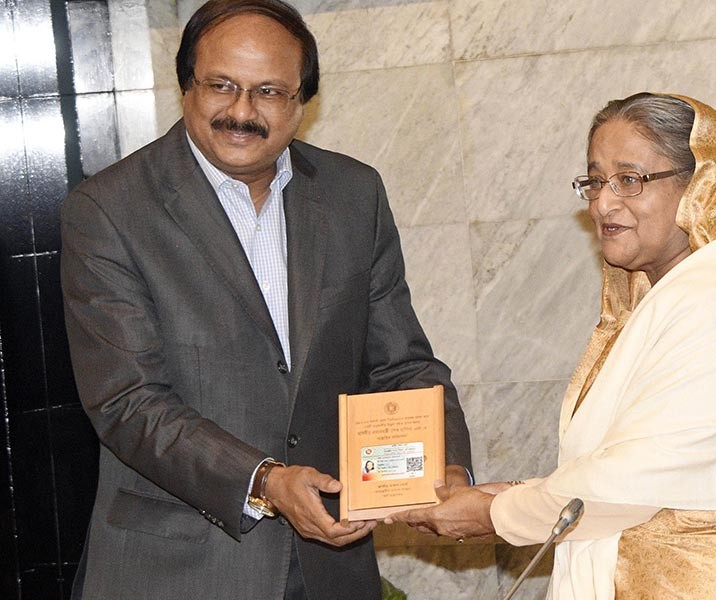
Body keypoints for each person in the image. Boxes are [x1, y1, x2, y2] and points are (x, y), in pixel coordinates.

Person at [60, 1, 472, 598]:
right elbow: (127, 401)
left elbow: (400, 363)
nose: (242, 111)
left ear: (302, 102)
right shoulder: (109, 210)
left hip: (331, 566)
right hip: (180, 570)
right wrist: (265, 481)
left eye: (270, 92)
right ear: (187, 87)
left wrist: (443, 466)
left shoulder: (355, 194)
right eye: (221, 85)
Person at [387, 93, 716, 598]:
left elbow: (628, 484)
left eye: (631, 180)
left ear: (701, 185)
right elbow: (644, 461)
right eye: (595, 181)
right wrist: (515, 495)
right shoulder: (688, 290)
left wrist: (496, 513)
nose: (603, 203)